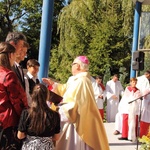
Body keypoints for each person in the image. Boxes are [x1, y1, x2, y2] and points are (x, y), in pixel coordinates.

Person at [42, 56, 109, 150]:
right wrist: (53, 84)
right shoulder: (74, 79)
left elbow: (76, 104)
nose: (71, 66)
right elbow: (66, 90)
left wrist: (59, 109)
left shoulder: (82, 81)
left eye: (73, 64)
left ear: (77, 66)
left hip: (76, 122)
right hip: (71, 120)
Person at [0, 42, 28, 149]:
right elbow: (18, 101)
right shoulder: (8, 75)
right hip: (8, 123)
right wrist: (26, 118)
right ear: (10, 55)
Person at [17, 83, 61, 150]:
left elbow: (20, 136)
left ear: (33, 95)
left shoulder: (26, 113)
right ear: (47, 96)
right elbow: (56, 137)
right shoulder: (55, 115)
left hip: (30, 147)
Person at [117, 78, 141, 142]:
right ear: (130, 82)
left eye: (135, 82)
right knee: (125, 121)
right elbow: (125, 97)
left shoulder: (138, 90)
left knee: (133, 122)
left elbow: (138, 99)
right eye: (133, 82)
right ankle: (124, 135)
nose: (134, 83)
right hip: (127, 107)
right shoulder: (128, 88)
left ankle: (132, 135)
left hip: (134, 108)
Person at [136, 70, 150, 137]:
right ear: (148, 75)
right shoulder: (146, 80)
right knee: (144, 115)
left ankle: (138, 132)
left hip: (139, 98)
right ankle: (143, 133)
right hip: (145, 100)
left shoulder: (138, 78)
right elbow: (147, 90)